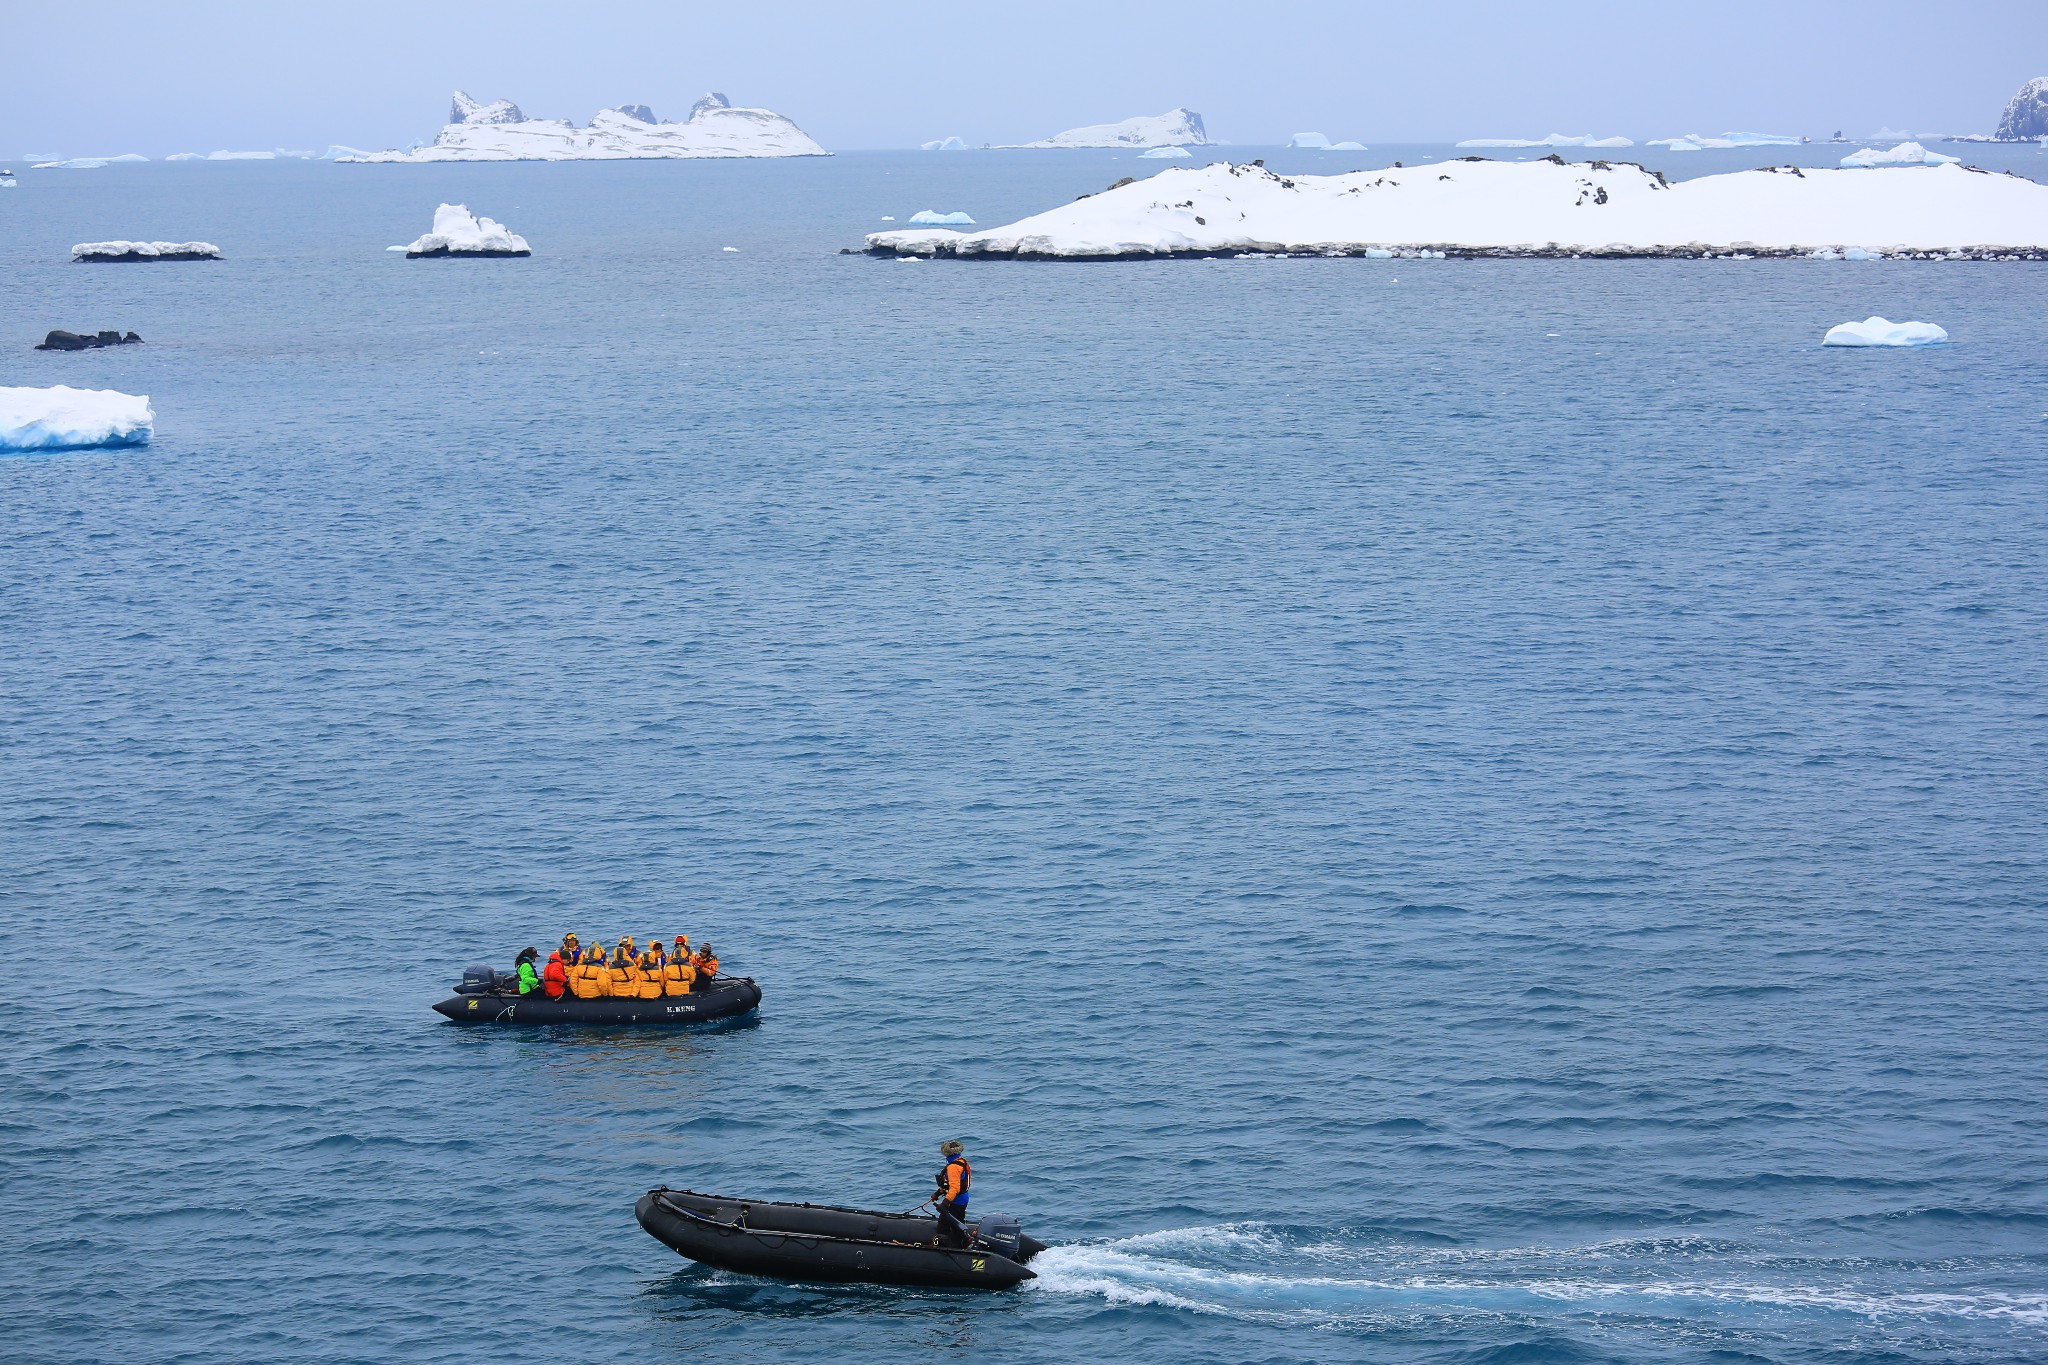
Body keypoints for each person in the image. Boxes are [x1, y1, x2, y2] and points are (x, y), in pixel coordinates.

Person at [933, 1139, 972, 1248]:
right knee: (957, 1223)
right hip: (961, 1199)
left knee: (943, 1227)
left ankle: (950, 1248)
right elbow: (951, 1184)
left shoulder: (953, 1167)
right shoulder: (962, 1161)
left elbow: (954, 1188)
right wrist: (938, 1193)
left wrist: (945, 1203)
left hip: (956, 1201)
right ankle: (961, 1243)